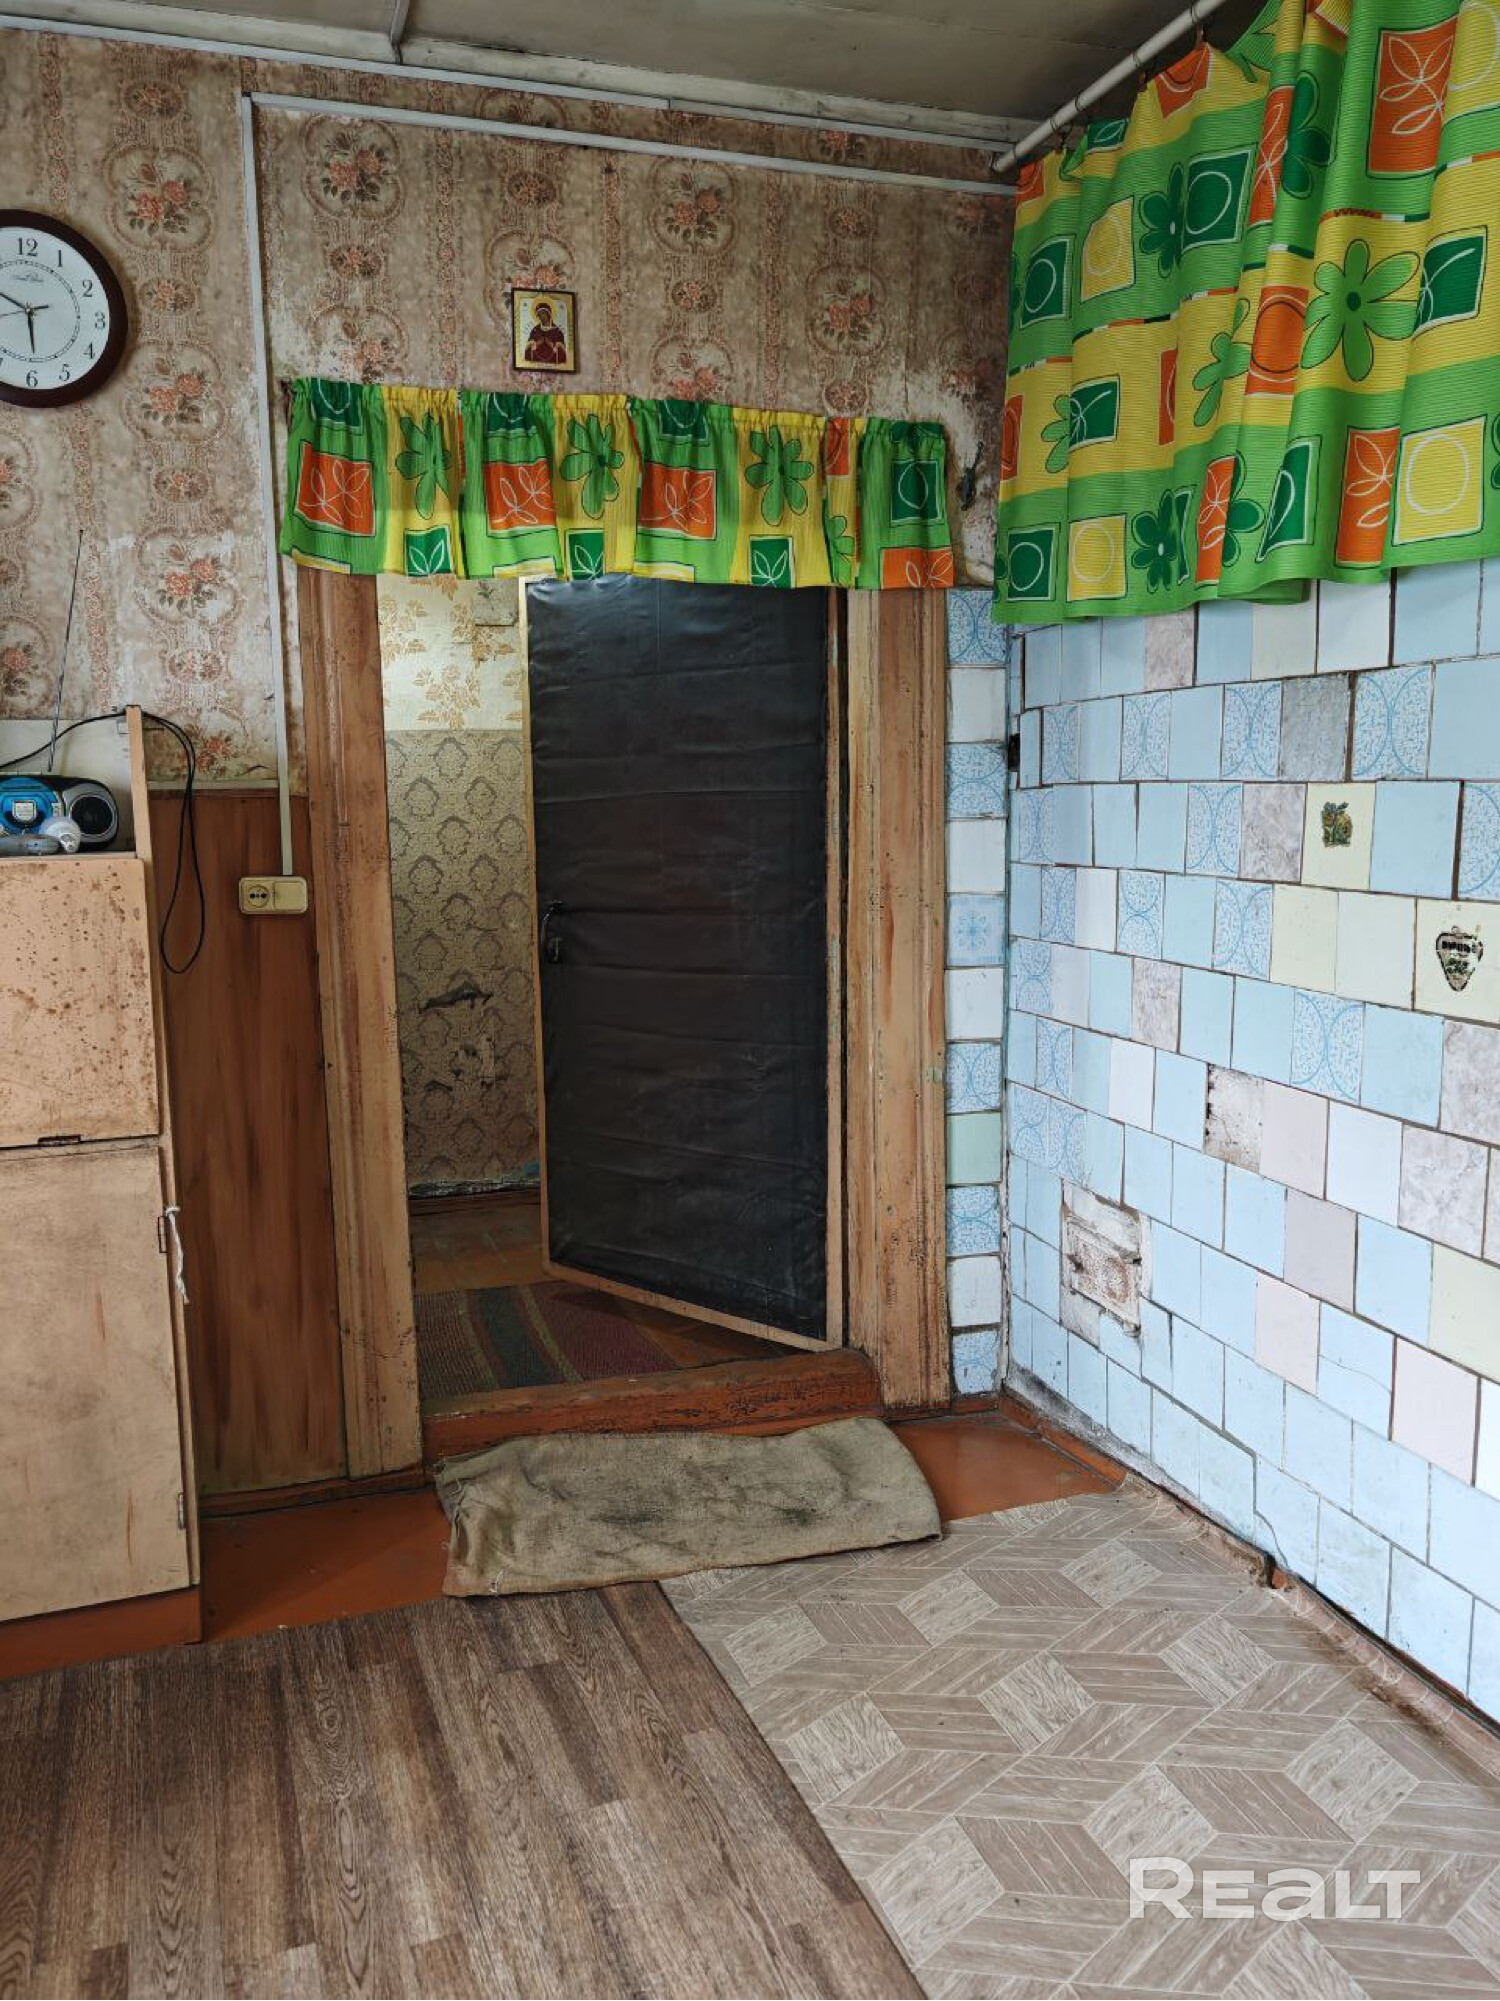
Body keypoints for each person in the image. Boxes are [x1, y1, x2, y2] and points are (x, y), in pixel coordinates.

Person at [523, 300, 568, 368]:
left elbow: (562, 350)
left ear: (549, 314)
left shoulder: (557, 330)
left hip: (553, 362)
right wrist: (537, 343)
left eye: (543, 313)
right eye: (539, 315)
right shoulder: (535, 330)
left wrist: (552, 344)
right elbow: (528, 349)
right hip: (537, 362)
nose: (542, 316)